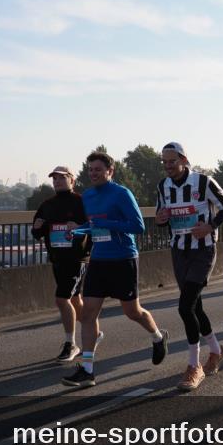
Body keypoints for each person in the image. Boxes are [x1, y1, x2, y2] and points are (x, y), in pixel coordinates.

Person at [62, 152, 168, 388]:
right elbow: (93, 226)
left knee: (132, 312)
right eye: (90, 169)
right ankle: (87, 370)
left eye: (98, 169)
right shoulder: (87, 196)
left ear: (110, 171)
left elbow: (138, 226)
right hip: (99, 260)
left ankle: (158, 337)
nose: (93, 173)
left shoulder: (121, 193)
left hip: (123, 259)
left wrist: (107, 224)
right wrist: (78, 230)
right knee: (88, 314)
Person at [155, 142, 223, 391]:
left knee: (185, 306)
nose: (168, 166)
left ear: (184, 160)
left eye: (172, 162)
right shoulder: (163, 186)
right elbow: (161, 216)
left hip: (203, 249)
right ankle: (216, 350)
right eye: (164, 162)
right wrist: (161, 218)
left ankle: (194, 366)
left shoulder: (203, 182)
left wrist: (210, 227)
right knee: (195, 307)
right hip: (179, 250)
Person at [32, 166, 89, 362]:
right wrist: (37, 228)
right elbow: (37, 232)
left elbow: (93, 226)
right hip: (57, 258)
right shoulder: (47, 204)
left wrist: (80, 227)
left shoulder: (82, 202)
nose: (57, 181)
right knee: (74, 300)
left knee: (61, 299)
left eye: (62, 178)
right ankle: (93, 331)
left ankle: (70, 343)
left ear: (72, 180)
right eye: (54, 178)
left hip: (77, 258)